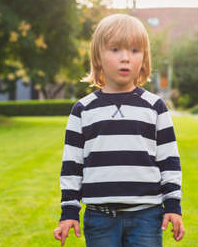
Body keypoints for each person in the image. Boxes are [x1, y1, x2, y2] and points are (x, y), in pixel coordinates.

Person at [53, 13, 185, 247]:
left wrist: (173, 205)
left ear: (144, 59)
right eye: (115, 50)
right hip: (100, 218)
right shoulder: (83, 110)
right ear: (98, 57)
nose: (125, 58)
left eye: (135, 50)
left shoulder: (155, 107)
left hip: (147, 216)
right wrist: (69, 211)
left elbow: (169, 161)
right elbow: (72, 165)